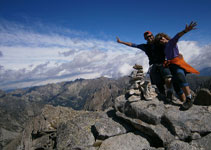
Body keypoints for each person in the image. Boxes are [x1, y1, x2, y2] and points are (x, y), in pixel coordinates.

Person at [155, 21, 200, 110]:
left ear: (165, 37)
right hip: (172, 66)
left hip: (178, 65)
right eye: (159, 40)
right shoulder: (165, 48)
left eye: (162, 38)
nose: (161, 40)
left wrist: (185, 31)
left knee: (180, 76)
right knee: (176, 84)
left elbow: (177, 36)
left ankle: (189, 98)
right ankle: (184, 101)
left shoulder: (171, 42)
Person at [116, 31, 172, 97]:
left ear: (153, 36)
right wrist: (121, 42)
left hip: (163, 63)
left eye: (150, 36)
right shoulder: (145, 46)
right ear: (145, 39)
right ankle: (163, 95)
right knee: (158, 82)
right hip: (153, 65)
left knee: (168, 77)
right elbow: (133, 45)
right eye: (147, 37)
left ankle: (169, 92)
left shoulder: (159, 43)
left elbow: (170, 44)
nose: (149, 38)